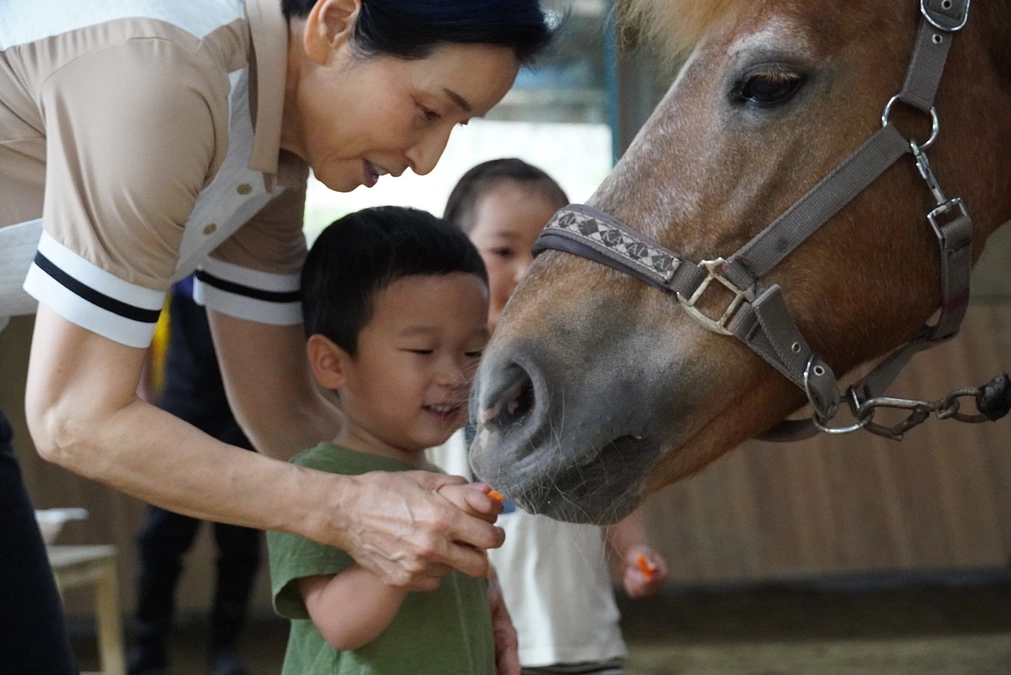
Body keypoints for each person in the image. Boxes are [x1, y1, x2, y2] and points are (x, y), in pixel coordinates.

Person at [0, 2, 551, 673]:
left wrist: (442, 553)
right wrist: (347, 508)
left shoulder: (274, 141)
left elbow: (283, 410)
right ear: (335, 23)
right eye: (427, 110)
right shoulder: (163, 71)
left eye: (454, 126)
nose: (427, 160)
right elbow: (74, 417)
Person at [430, 158, 669, 674]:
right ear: (453, 255)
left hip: (582, 642)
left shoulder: (587, 381)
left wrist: (633, 552)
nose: (526, 272)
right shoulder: (432, 383)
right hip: (476, 649)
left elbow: (610, 487)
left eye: (545, 252)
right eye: (502, 251)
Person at [267, 206, 501, 674]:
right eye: (422, 350)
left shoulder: (443, 482)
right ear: (333, 363)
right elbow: (340, 624)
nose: (455, 375)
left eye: (474, 351)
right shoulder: (313, 482)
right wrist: (419, 538)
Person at [130, 276, 261, 675]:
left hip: (241, 409)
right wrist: (140, 393)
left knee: (239, 544)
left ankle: (225, 650)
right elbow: (138, 322)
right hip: (181, 402)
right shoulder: (173, 257)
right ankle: (147, 648)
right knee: (161, 540)